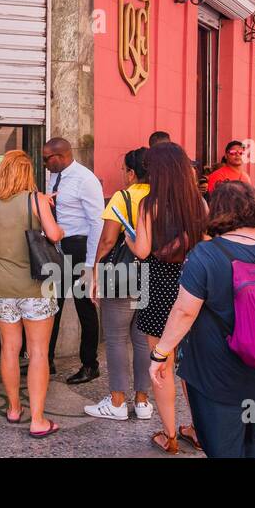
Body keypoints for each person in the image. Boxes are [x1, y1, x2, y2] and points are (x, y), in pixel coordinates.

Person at [150, 181, 255, 457]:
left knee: (224, 448)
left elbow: (184, 311)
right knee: (251, 435)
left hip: (218, 377)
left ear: (215, 212)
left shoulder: (205, 254)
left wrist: (160, 354)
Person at [130, 140, 207, 454]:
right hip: (193, 291)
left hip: (156, 289)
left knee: (161, 364)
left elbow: (144, 251)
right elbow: (205, 245)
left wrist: (129, 237)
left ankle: (169, 435)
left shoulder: (149, 205)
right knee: (191, 368)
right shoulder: (199, 204)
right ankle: (199, 430)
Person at [0, 150, 64, 436]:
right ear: (27, 172)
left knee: (9, 348)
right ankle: (38, 419)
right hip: (35, 286)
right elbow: (54, 234)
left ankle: (13, 409)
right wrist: (60, 225)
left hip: (2, 285)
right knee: (37, 352)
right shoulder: (36, 199)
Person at [85, 147, 153, 421]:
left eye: (124, 170)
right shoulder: (162, 197)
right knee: (142, 340)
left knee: (115, 339)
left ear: (132, 173)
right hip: (152, 273)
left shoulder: (122, 197)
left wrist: (96, 273)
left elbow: (108, 240)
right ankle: (143, 402)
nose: (123, 175)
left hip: (122, 273)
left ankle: (117, 402)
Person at [41, 137, 103, 384]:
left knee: (84, 307)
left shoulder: (85, 179)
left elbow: (97, 222)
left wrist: (90, 264)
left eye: (47, 158)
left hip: (79, 248)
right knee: (50, 305)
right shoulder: (53, 176)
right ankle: (44, 360)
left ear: (62, 155)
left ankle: (90, 365)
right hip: (57, 248)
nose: (44, 163)